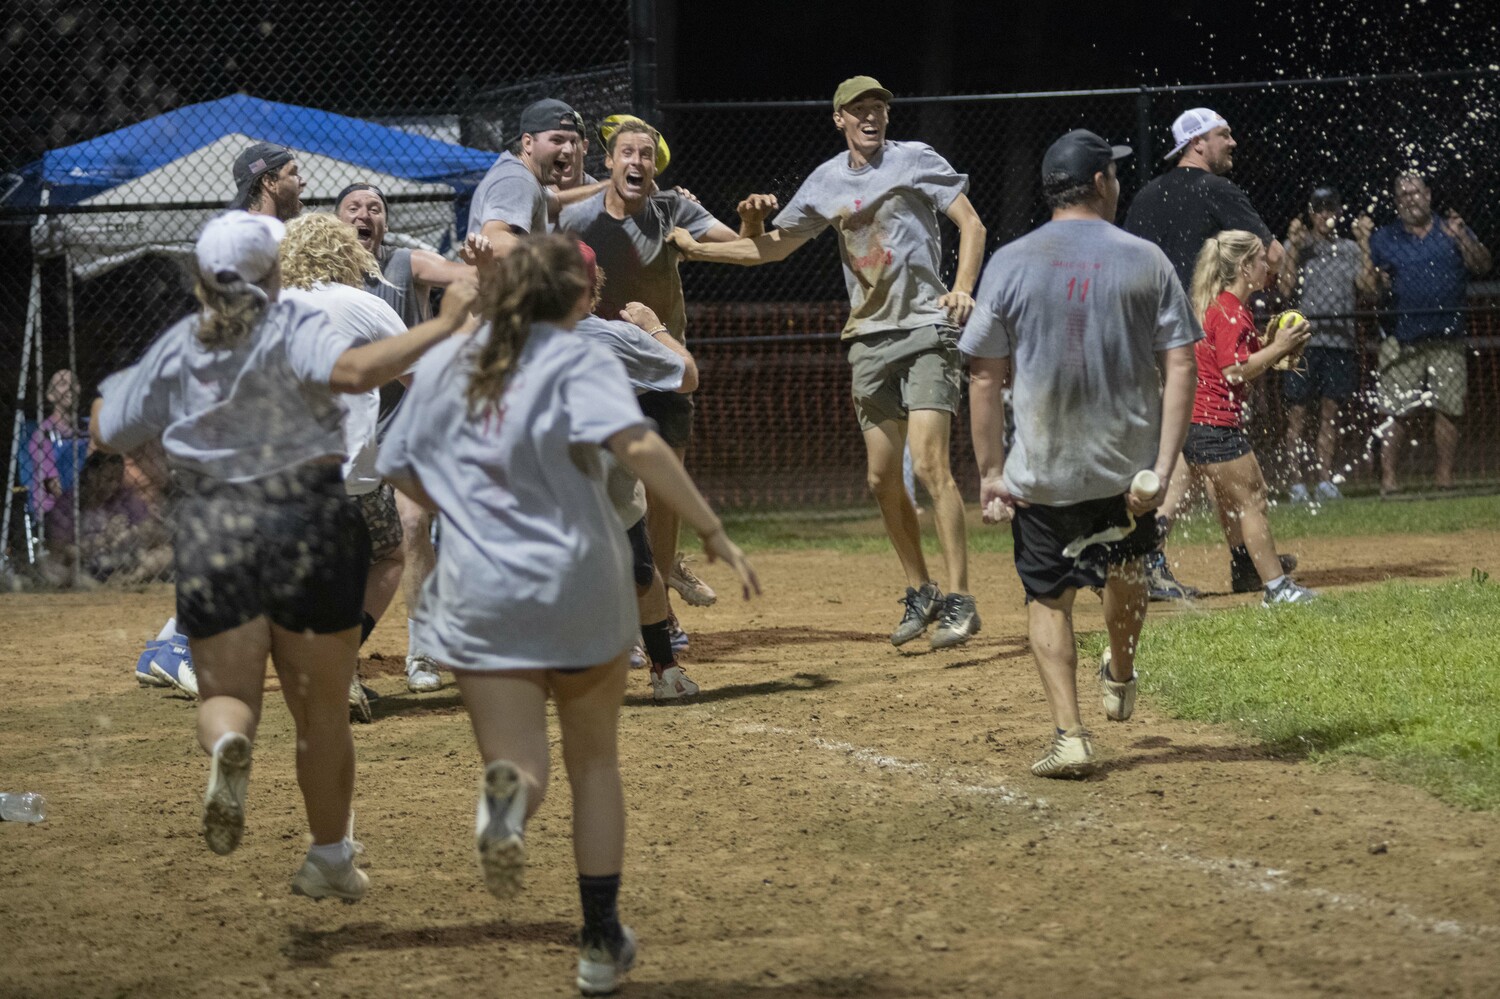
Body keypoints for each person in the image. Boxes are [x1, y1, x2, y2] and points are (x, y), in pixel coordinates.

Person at [375, 234, 759, 994]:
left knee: (520, 758)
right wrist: (710, 529)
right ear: (579, 297)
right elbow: (641, 445)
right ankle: (598, 940)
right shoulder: (582, 356)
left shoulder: (456, 358)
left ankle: (508, 803)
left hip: (481, 586)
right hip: (579, 579)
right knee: (594, 764)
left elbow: (404, 465)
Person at [90, 210, 477, 901]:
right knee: (321, 710)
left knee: (227, 699)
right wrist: (446, 322)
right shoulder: (297, 322)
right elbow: (357, 371)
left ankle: (230, 745)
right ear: (273, 270)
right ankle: (330, 856)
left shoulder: (182, 343)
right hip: (312, 516)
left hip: (217, 522)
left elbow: (112, 426)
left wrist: (103, 402)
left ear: (203, 278)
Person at [671, 75, 988, 650]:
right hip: (867, 337)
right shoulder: (824, 181)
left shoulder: (915, 159)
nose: (871, 117)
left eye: (879, 109)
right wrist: (697, 249)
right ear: (838, 118)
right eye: (858, 110)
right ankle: (921, 591)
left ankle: (961, 601)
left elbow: (971, 224)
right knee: (878, 477)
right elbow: (772, 245)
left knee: (930, 466)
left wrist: (962, 288)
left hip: (924, 328)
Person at [962, 129, 1199, 778]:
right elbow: (1181, 363)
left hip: (1043, 470)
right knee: (1126, 573)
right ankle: (1120, 668)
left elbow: (983, 377)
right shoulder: (1146, 258)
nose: (1117, 184)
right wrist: (1168, 458)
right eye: (1114, 175)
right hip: (1128, 471)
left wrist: (988, 474)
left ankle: (1069, 733)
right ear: (1099, 183)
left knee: (1049, 598)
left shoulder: (1009, 262)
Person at [559, 114, 777, 627]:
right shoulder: (576, 220)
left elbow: (740, 247)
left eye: (647, 156)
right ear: (608, 162)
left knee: (663, 486)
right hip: (598, 369)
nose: (637, 161)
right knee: (604, 489)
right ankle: (619, 597)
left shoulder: (672, 208)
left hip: (659, 363)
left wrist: (751, 221)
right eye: (628, 153)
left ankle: (657, 608)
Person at [336, 183, 491, 692]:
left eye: (374, 208)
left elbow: (466, 278)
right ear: (336, 221)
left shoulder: (405, 264)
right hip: (345, 433)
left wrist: (482, 263)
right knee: (352, 549)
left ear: (384, 222)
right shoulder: (322, 280)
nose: (365, 215)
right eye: (354, 208)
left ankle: (422, 650)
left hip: (407, 426)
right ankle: (344, 661)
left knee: (410, 521)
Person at [1123, 108, 1284, 601]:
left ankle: (1241, 561)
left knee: (1190, 452)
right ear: (1197, 143)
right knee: (1205, 449)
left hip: (1145, 337)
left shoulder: (1146, 196)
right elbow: (1271, 255)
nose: (1232, 142)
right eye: (1223, 134)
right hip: (1199, 340)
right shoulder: (1218, 191)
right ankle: (1150, 557)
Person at [277, 212, 416, 718]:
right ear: (347, 254)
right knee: (388, 555)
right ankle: (339, 668)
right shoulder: (363, 303)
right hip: (352, 473)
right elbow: (420, 380)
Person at [1182, 230, 1317, 606]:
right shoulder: (1229, 311)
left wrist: (1265, 346)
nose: (1267, 264)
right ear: (1244, 267)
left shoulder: (1222, 307)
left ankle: (1246, 570)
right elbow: (1234, 371)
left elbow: (1235, 358)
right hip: (1215, 424)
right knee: (1253, 500)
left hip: (1196, 423)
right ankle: (1276, 587)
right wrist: (1279, 347)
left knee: (1221, 502)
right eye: (1260, 258)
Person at [1367, 171, 1492, 495]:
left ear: (1428, 195)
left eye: (1416, 192)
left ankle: (1444, 479)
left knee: (1448, 409)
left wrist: (1463, 236)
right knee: (1396, 411)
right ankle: (1389, 482)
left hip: (1447, 336)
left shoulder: (1451, 229)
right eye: (1403, 194)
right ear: (1396, 202)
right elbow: (1369, 289)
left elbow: (1482, 265)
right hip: (1401, 337)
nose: (1411, 199)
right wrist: (1374, 273)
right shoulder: (1384, 238)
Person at [1278, 184, 1379, 504]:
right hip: (1301, 340)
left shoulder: (1349, 249)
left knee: (1329, 413)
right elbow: (1285, 290)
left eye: (1331, 209)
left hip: (1339, 341)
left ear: (1338, 211)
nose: (1325, 215)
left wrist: (1364, 244)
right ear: (1310, 214)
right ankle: (1296, 483)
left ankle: (1324, 480)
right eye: (1319, 209)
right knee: (1296, 413)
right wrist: (1293, 249)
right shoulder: (1296, 245)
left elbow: (1367, 288)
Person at [229, 141, 305, 221]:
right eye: (293, 173)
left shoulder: (238, 228)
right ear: (270, 182)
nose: (303, 181)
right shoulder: (253, 232)